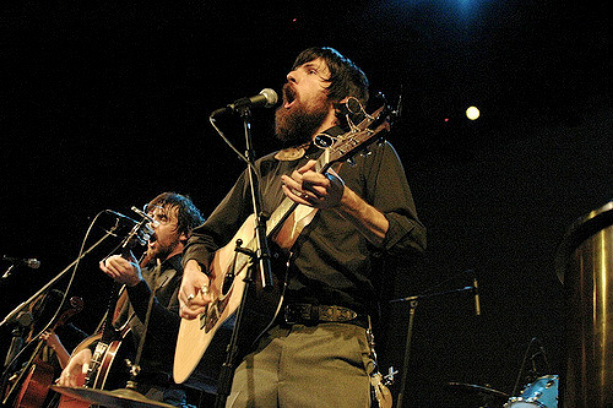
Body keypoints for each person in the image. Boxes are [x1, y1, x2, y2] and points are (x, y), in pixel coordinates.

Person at [179, 47, 426, 407]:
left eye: (310, 71)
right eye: (294, 69)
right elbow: (205, 234)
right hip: (255, 348)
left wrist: (345, 201)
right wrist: (192, 270)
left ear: (341, 100)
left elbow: (412, 241)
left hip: (333, 346)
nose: (290, 76)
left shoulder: (370, 153)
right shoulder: (264, 168)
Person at [57, 192, 205, 406]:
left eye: (162, 218)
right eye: (149, 218)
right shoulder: (144, 272)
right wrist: (87, 350)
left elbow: (175, 333)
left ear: (185, 232)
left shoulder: (188, 275)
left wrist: (136, 286)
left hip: (159, 393)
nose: (150, 225)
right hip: (119, 390)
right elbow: (117, 330)